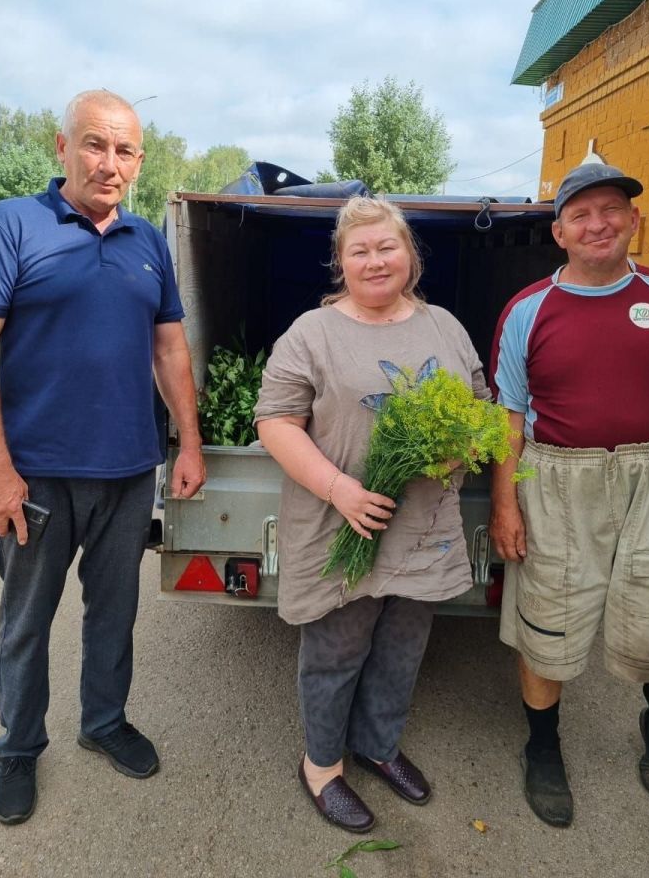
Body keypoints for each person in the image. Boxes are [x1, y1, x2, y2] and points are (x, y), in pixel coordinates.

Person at [0, 90, 206, 825]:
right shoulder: (10, 225)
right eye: (95, 145)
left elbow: (169, 347)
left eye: (125, 150)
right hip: (35, 473)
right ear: (62, 147)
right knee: (25, 619)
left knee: (115, 612)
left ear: (139, 162)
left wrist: (189, 442)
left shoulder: (147, 241)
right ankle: (19, 746)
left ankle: (103, 722)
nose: (110, 163)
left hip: (129, 469)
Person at [254, 196, 489, 832]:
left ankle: (378, 746)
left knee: (403, 646)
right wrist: (340, 489)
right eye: (359, 250)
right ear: (341, 262)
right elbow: (274, 421)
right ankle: (322, 765)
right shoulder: (313, 332)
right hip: (344, 522)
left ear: (410, 254)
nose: (375, 260)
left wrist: (461, 449)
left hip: (423, 526)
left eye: (387, 246)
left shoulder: (444, 325)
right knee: (336, 647)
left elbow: (479, 405)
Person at [489, 162, 649, 828]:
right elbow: (507, 420)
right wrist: (505, 505)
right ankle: (542, 750)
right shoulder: (528, 311)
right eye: (581, 214)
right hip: (555, 480)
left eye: (612, 210)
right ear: (559, 232)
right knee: (546, 621)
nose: (598, 223)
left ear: (636, 220)